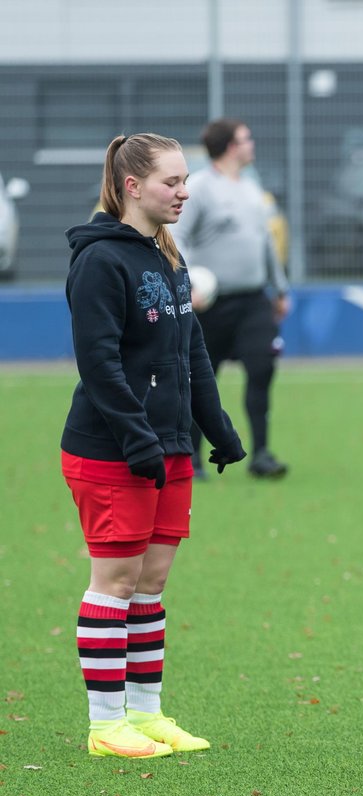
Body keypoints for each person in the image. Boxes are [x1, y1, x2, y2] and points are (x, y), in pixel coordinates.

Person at [62, 133, 246, 759]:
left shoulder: (168, 255)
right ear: (132, 186)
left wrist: (215, 427)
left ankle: (145, 715)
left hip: (167, 447)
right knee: (113, 580)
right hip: (111, 448)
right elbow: (100, 364)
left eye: (186, 179)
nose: (185, 192)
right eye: (172, 181)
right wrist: (139, 439)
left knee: (152, 582)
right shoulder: (99, 260)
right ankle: (104, 726)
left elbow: (189, 350)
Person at [172, 117, 290, 479]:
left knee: (262, 368)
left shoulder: (253, 189)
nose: (251, 144)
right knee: (201, 378)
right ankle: (192, 457)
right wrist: (187, 281)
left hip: (254, 300)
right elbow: (180, 237)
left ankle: (261, 455)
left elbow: (265, 242)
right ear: (229, 146)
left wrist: (279, 287)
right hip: (211, 305)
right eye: (245, 138)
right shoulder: (201, 188)